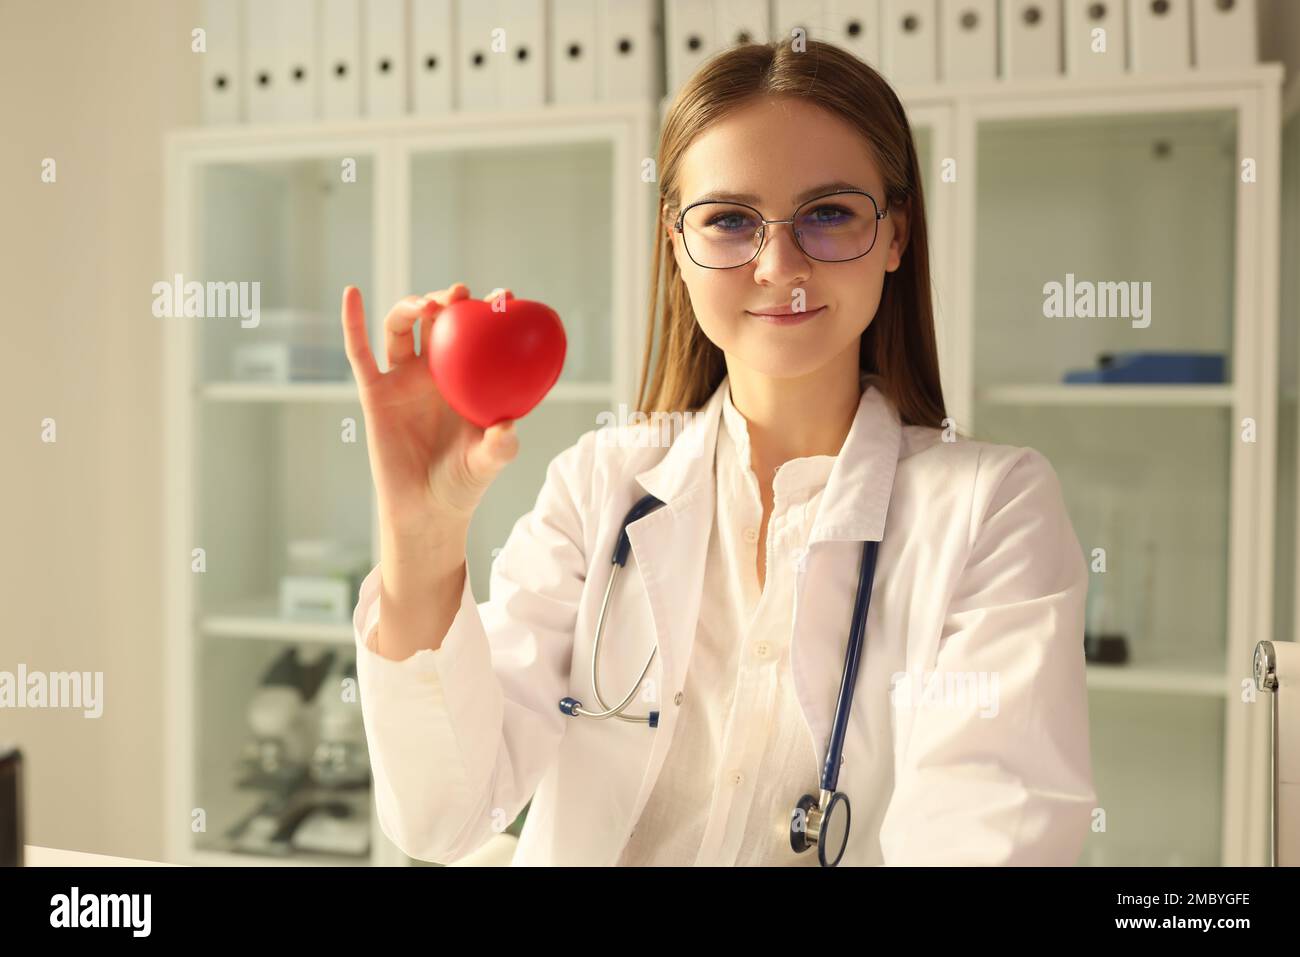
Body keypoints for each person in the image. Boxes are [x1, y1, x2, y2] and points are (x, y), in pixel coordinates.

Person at [340, 39, 1095, 867]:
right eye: (731, 220)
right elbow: (442, 817)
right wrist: (422, 539)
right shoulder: (599, 486)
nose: (780, 265)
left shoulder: (992, 507)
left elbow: (990, 842)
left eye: (830, 213)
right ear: (676, 243)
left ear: (895, 234)